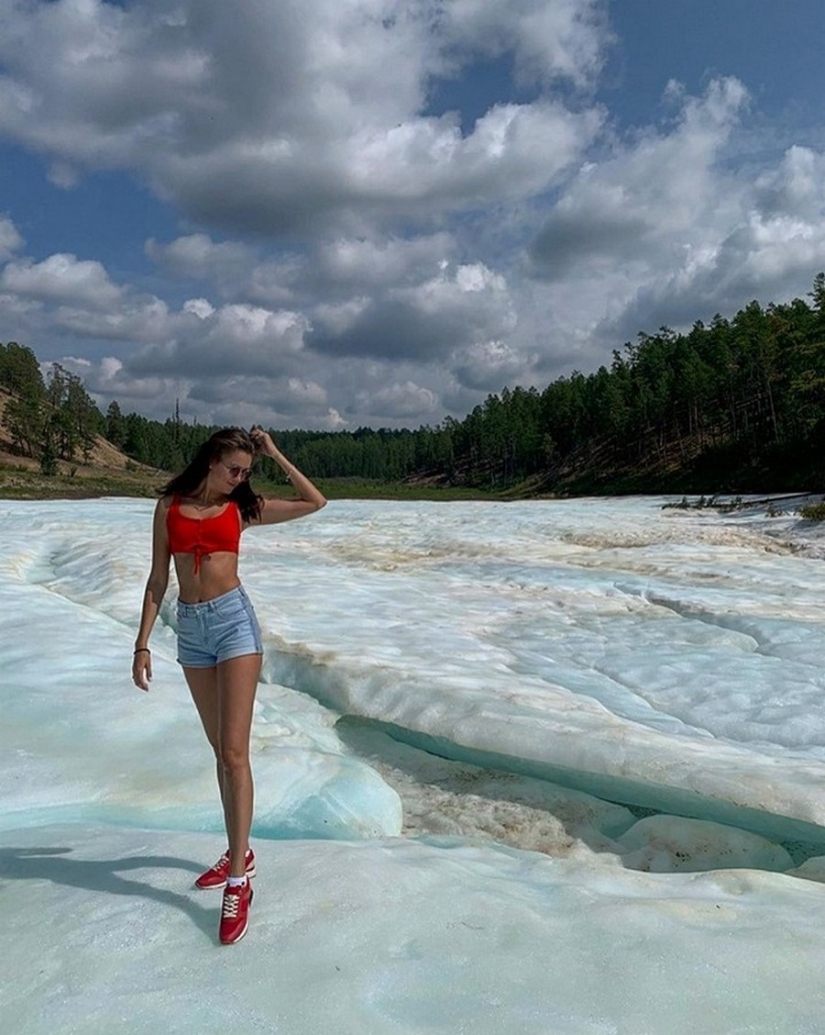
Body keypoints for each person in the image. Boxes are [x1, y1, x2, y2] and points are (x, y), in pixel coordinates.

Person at [131, 426, 326, 944]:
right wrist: (142, 643)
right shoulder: (169, 506)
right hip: (191, 631)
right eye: (234, 469)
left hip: (234, 624)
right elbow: (157, 580)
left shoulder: (242, 508)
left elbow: (315, 501)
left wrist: (275, 452)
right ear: (210, 463)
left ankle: (238, 880)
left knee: (236, 754)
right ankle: (240, 849)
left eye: (247, 471)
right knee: (220, 751)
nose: (241, 478)